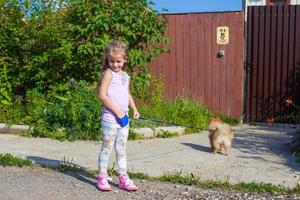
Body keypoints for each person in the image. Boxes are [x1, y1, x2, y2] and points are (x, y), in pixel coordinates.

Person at [96, 40, 140, 191]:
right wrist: (117, 111)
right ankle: (102, 176)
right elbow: (102, 95)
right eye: (111, 61)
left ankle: (123, 177)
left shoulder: (126, 76)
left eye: (118, 61)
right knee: (107, 147)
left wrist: (134, 109)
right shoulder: (108, 74)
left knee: (121, 149)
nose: (115, 65)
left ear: (125, 59)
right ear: (107, 60)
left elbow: (127, 94)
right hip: (110, 119)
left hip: (124, 120)